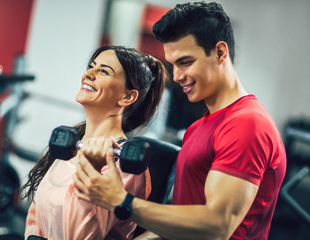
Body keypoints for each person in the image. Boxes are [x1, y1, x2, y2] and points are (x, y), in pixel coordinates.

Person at [74, 2, 287, 240]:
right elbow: (173, 223)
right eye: (172, 64)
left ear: (220, 53)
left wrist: (121, 201)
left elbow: (217, 227)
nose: (176, 76)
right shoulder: (198, 128)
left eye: (185, 62)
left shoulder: (248, 124)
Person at [21, 45, 167, 240]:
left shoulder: (123, 166)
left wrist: (92, 167)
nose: (89, 73)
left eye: (103, 71)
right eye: (92, 66)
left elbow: (78, 236)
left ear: (127, 96)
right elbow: (36, 214)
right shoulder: (72, 145)